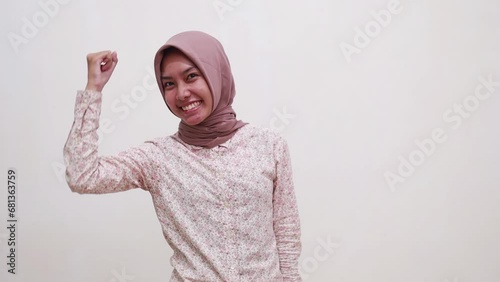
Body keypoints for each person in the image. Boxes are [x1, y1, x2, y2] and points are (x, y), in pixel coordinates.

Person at [64, 31, 302, 281]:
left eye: (191, 77)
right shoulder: (158, 158)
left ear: (216, 75)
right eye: (169, 84)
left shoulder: (268, 145)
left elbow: (285, 231)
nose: (181, 93)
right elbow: (82, 176)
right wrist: (94, 89)